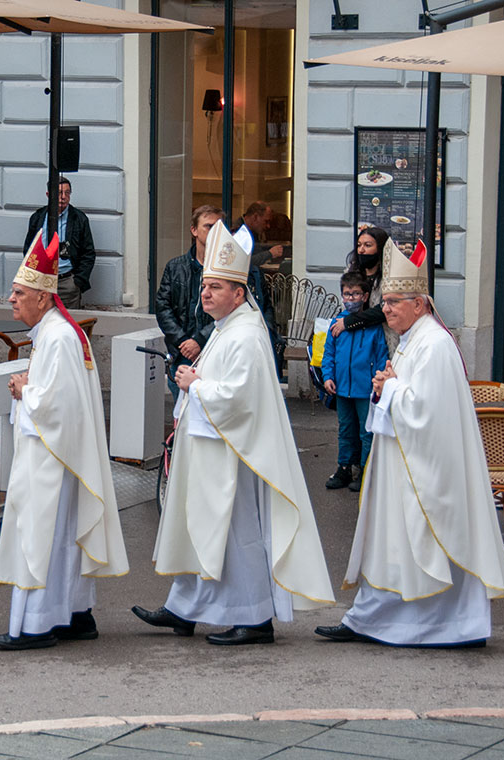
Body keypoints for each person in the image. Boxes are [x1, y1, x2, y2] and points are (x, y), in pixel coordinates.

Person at [132, 221, 334, 646]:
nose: (205, 293)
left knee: (236, 532)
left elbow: (240, 398)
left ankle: (255, 617)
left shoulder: (245, 335)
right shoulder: (227, 328)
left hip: (235, 455)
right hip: (209, 447)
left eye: (216, 287)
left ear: (239, 293)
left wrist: (195, 385)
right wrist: (195, 379)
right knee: (197, 526)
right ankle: (184, 607)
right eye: (205, 286)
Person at [315, 238, 504, 648]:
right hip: (403, 463)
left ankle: (450, 625)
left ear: (419, 303)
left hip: (427, 472)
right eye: (384, 301)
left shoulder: (435, 344)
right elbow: (404, 395)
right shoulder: (411, 339)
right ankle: (373, 618)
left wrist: (389, 389)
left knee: (421, 544)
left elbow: (426, 411)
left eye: (394, 302)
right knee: (395, 545)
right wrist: (383, 388)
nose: (385, 309)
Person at [0, 232, 128, 650]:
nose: (11, 299)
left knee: (42, 534)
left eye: (19, 293)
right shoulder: (56, 332)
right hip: (61, 454)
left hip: (52, 456)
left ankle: (36, 624)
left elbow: (56, 405)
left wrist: (22, 391)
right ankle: (75, 612)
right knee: (63, 536)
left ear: (45, 298)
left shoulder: (59, 336)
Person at [156, 205, 278, 397]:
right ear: (194, 230)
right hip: (183, 353)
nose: (206, 293)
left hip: (216, 351)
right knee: (182, 414)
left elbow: (234, 312)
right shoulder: (176, 267)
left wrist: (199, 339)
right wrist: (183, 342)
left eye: (219, 228)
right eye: (208, 226)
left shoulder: (239, 272)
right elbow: (163, 307)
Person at [321, 271, 389, 492]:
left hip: (365, 389)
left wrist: (378, 381)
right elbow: (328, 353)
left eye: (356, 294)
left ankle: (364, 469)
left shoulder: (372, 326)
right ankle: (344, 467)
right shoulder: (336, 323)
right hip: (342, 388)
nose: (351, 299)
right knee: (345, 429)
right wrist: (328, 376)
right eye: (347, 295)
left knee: (366, 431)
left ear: (365, 295)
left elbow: (380, 355)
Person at [23, 176, 95, 310]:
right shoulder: (38, 217)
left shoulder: (79, 218)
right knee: (41, 322)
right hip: (41, 281)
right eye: (59, 193)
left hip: (67, 282)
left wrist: (77, 281)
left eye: (67, 193)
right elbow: (29, 249)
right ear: (48, 195)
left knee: (68, 324)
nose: (63, 197)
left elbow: (88, 253)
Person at [329, 227, 397, 354]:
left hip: (383, 338)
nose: (361, 250)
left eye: (368, 245)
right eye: (359, 245)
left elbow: (385, 309)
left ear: (380, 248)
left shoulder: (391, 277)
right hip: (355, 338)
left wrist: (350, 322)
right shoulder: (352, 273)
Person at [235, 201, 285, 268]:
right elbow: (242, 262)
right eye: (266, 221)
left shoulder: (252, 232)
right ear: (255, 217)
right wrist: (269, 253)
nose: (268, 226)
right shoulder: (237, 232)